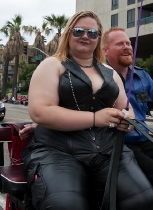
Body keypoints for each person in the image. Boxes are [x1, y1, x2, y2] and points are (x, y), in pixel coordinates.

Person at [24, 11, 153, 210]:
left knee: (143, 199)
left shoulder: (110, 72)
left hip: (109, 151)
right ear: (68, 34)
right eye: (79, 31)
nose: (86, 36)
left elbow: (127, 110)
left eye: (92, 33)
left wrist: (126, 121)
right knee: (65, 205)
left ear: (98, 38)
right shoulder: (51, 65)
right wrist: (95, 118)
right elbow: (40, 112)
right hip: (57, 151)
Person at [102, 27, 153, 185]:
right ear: (105, 50)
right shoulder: (97, 78)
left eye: (128, 43)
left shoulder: (142, 76)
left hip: (144, 138)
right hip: (117, 144)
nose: (126, 47)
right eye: (119, 44)